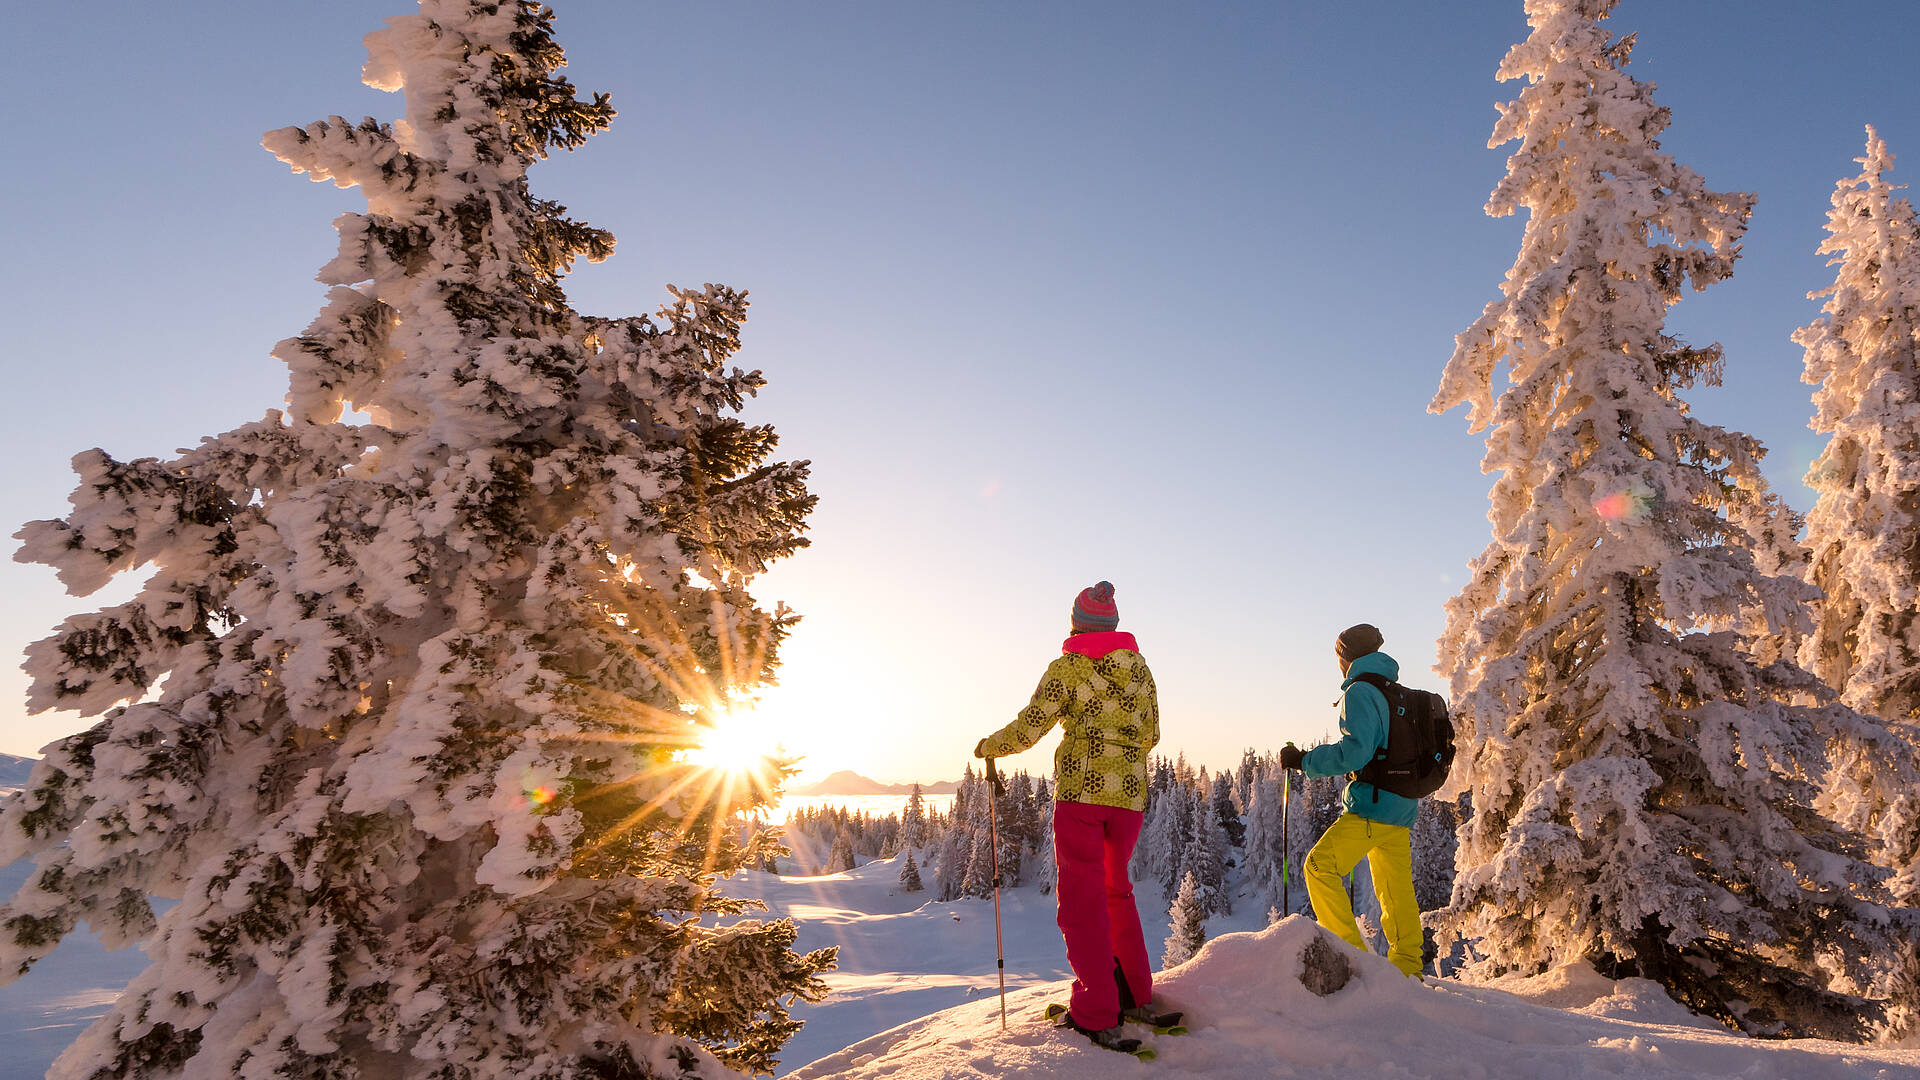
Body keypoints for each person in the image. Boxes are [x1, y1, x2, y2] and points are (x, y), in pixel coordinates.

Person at [973, 581, 1168, 1050]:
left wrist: (989, 747)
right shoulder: (1139, 670)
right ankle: (1134, 994)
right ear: (1114, 625)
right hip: (1129, 799)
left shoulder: (1069, 668)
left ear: (1076, 623)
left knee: (1081, 902)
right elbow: (1152, 734)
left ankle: (1097, 1012)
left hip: (1082, 796)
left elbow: (1031, 725)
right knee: (1115, 891)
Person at [1279, 623, 1424, 978]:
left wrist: (1304, 761)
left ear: (1347, 658)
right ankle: (1408, 971)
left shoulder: (1360, 691)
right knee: (1395, 891)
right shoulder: (1395, 691)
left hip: (1371, 808)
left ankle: (1354, 962)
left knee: (1319, 867)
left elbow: (1356, 752)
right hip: (1401, 807)